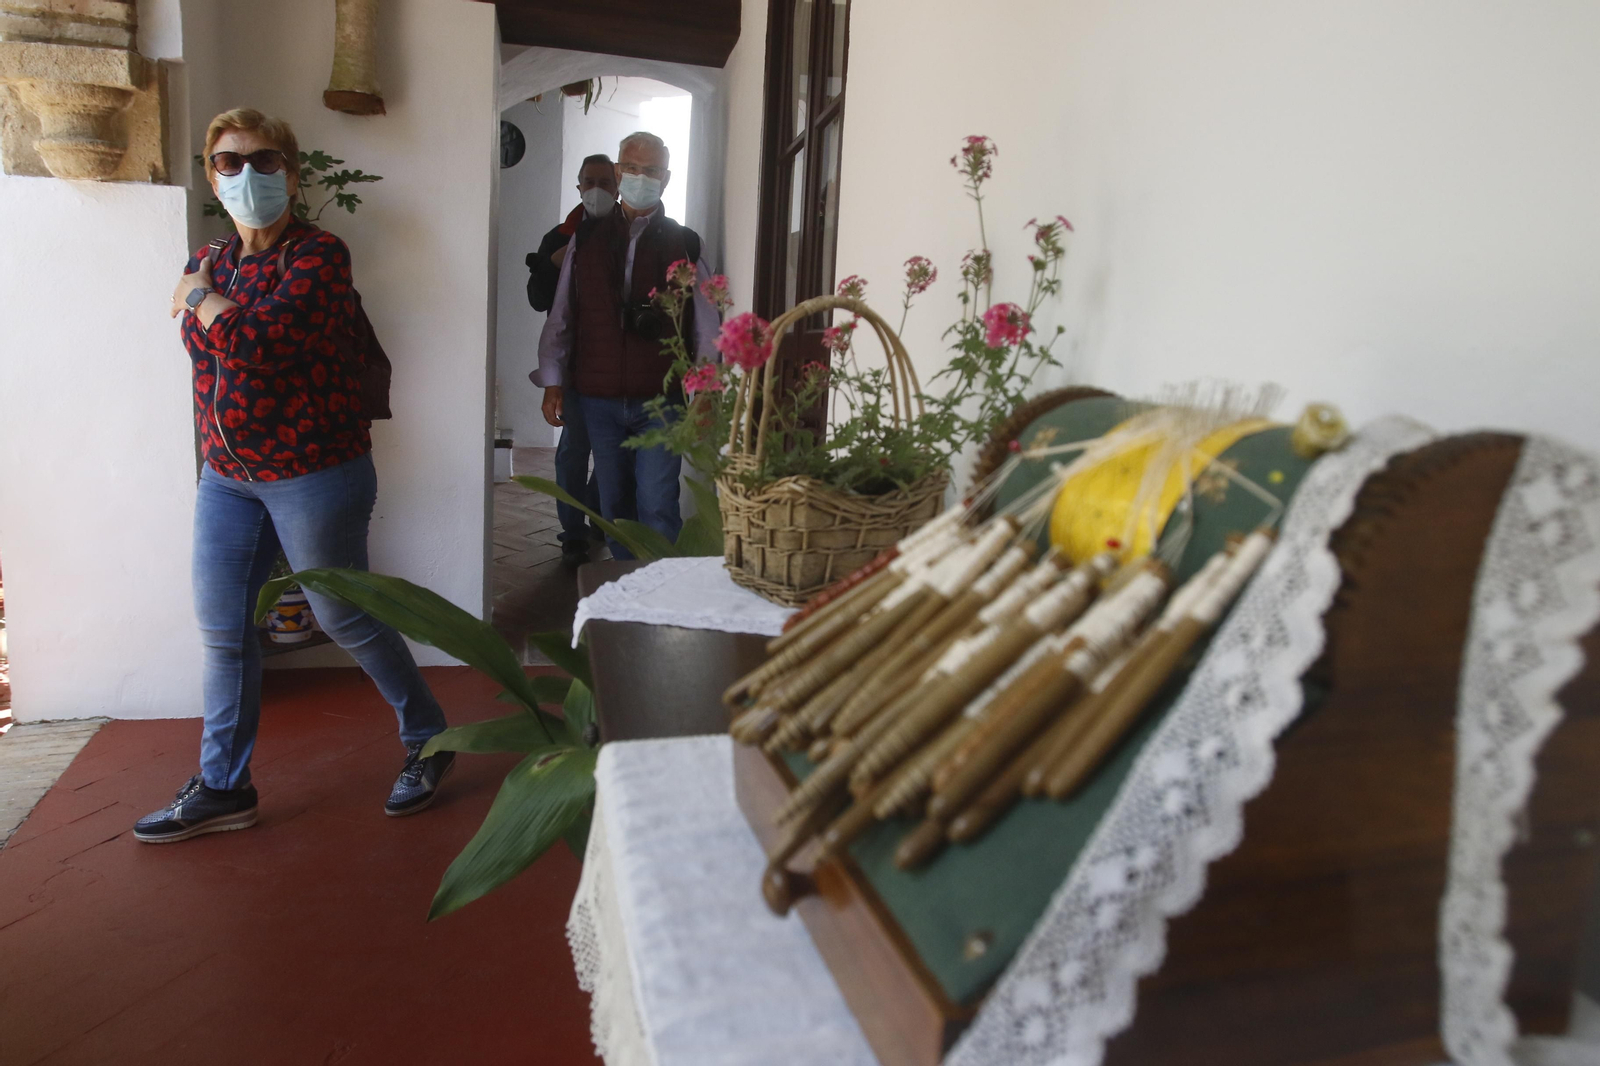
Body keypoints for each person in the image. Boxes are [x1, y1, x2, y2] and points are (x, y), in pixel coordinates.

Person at [139, 108, 454, 843]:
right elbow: (210, 343)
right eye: (228, 161)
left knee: (344, 616)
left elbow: (258, 345)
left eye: (265, 160)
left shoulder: (320, 255)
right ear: (212, 178)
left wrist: (198, 301)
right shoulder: (211, 259)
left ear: (294, 172)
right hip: (227, 478)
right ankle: (223, 788)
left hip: (315, 472)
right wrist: (207, 303)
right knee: (222, 633)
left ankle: (429, 738)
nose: (247, 175)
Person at [532, 131, 720, 558]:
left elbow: (707, 327)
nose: (641, 177)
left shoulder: (686, 243)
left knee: (657, 503)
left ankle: (660, 596)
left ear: (666, 178)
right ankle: (623, 590)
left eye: (651, 170)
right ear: (618, 173)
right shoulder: (586, 238)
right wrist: (553, 380)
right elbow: (562, 314)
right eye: (632, 168)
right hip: (598, 399)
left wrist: (706, 391)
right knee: (614, 508)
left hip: (661, 400)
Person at [526, 154, 616, 568]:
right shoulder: (557, 236)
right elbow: (538, 300)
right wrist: (551, 264)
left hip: (617, 363)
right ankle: (573, 534)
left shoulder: (631, 232)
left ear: (618, 185)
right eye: (589, 181)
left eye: (605, 181)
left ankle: (598, 516)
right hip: (574, 363)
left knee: (610, 448)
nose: (596, 188)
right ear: (578, 187)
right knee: (572, 451)